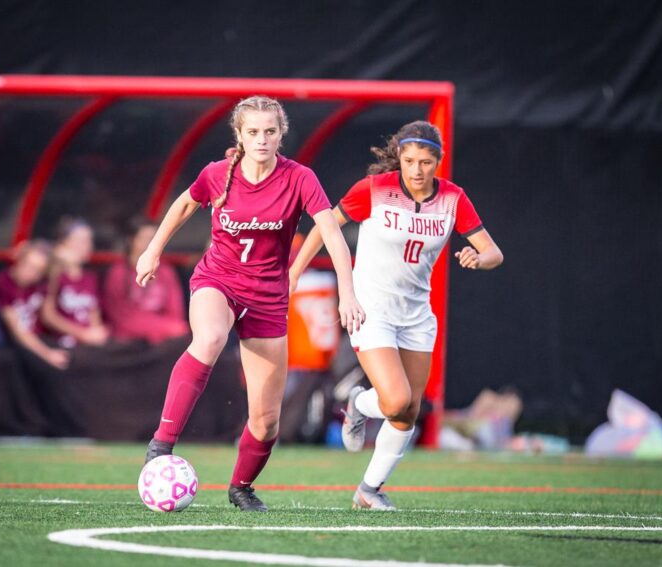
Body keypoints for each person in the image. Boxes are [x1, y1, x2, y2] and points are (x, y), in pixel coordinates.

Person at [135, 95, 365, 512]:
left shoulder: (300, 178)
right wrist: (153, 250)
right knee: (209, 339)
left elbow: (332, 235)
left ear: (282, 135)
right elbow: (185, 202)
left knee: (266, 420)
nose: (262, 139)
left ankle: (241, 487)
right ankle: (161, 445)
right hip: (218, 280)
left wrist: (347, 293)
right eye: (253, 132)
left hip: (268, 297)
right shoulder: (217, 173)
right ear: (239, 135)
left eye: (270, 132)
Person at [289, 120, 504, 510]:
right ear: (399, 159)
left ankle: (368, 490)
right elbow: (324, 227)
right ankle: (358, 403)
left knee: (408, 412)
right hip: (372, 309)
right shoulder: (374, 190)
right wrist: (295, 272)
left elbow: (493, 252)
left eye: (425, 161)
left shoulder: (453, 198)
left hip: (417, 316)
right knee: (394, 400)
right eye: (409, 160)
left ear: (438, 161)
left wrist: (479, 257)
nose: (417, 170)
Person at [103, 218, 189, 344]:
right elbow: (118, 315)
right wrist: (158, 329)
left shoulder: (166, 271)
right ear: (132, 240)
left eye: (154, 239)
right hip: (130, 336)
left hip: (165, 333)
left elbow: (175, 310)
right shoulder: (119, 272)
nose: (150, 244)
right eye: (145, 238)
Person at [0, 239, 70, 369]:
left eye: (36, 270)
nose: (28, 272)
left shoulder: (41, 284)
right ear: (19, 260)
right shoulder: (3, 282)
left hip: (40, 338)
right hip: (16, 343)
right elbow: (17, 330)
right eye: (26, 264)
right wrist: (47, 354)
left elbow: (49, 315)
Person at [40, 217, 109, 349]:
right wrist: (82, 334)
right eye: (81, 241)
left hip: (89, 342)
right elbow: (47, 315)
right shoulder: (54, 274)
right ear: (64, 243)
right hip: (64, 343)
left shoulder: (90, 277)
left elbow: (93, 311)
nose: (88, 246)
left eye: (89, 240)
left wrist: (96, 332)